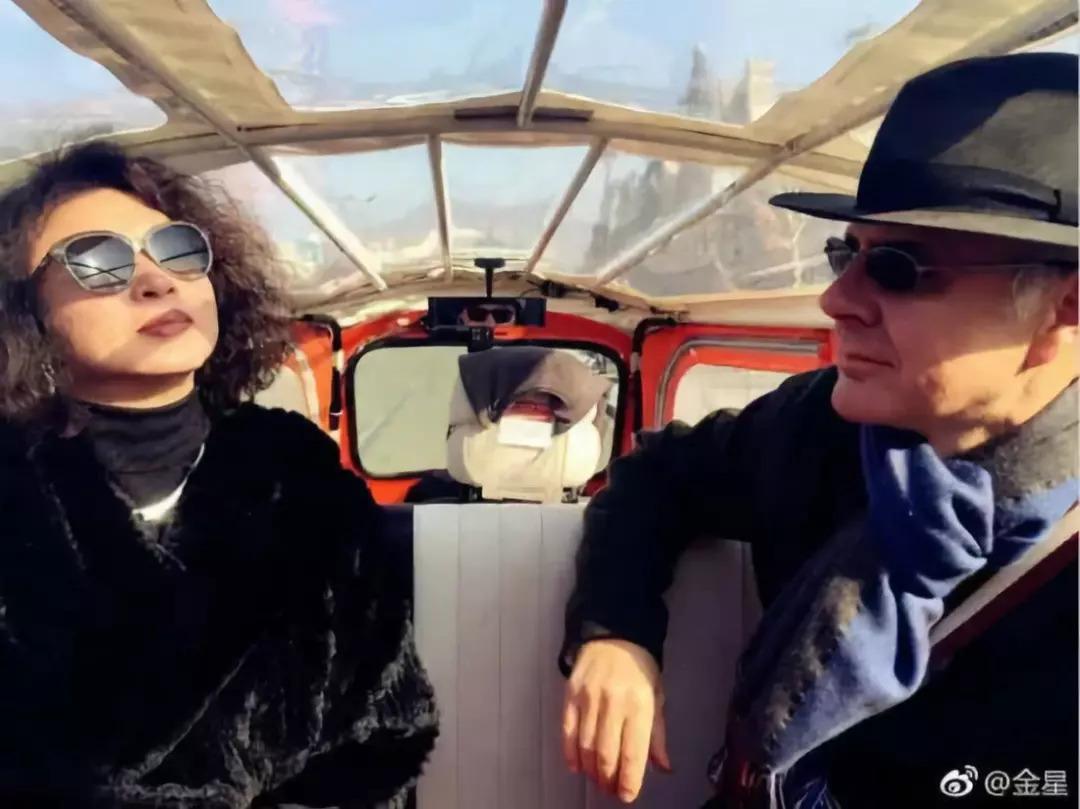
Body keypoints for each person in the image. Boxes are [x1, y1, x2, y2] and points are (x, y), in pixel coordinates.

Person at [559, 52, 1078, 808]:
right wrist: (617, 634)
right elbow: (658, 475)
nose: (836, 301)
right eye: (847, 254)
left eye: (899, 268)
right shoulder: (819, 429)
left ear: (1066, 307)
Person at [0, 142, 437, 808]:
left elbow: (379, 739)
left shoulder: (304, 483)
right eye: (98, 260)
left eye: (179, 249)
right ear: (23, 309)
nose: (156, 280)